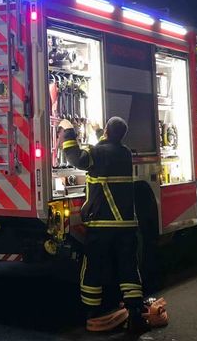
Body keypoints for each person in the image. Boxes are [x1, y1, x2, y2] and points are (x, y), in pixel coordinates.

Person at [60, 117, 149, 334]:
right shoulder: (125, 153)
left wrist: (68, 133)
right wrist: (99, 130)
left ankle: (92, 313)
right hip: (126, 225)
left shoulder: (96, 153)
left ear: (108, 132)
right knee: (129, 267)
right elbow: (108, 145)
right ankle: (135, 311)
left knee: (93, 267)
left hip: (101, 224)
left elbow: (75, 158)